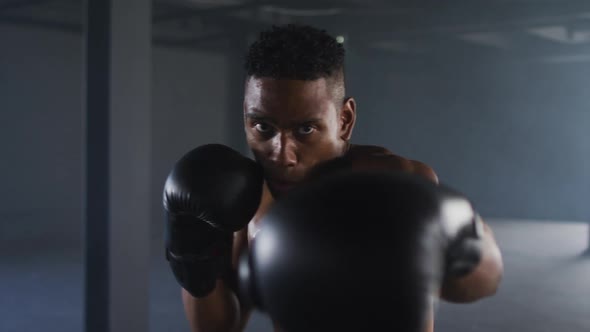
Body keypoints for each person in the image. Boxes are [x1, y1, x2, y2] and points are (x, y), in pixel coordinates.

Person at [163, 24, 504, 332]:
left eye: (305, 129)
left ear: (344, 120)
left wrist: (458, 242)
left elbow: (481, 283)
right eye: (263, 127)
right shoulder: (247, 198)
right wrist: (191, 259)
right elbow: (219, 327)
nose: (282, 154)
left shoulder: (393, 181)